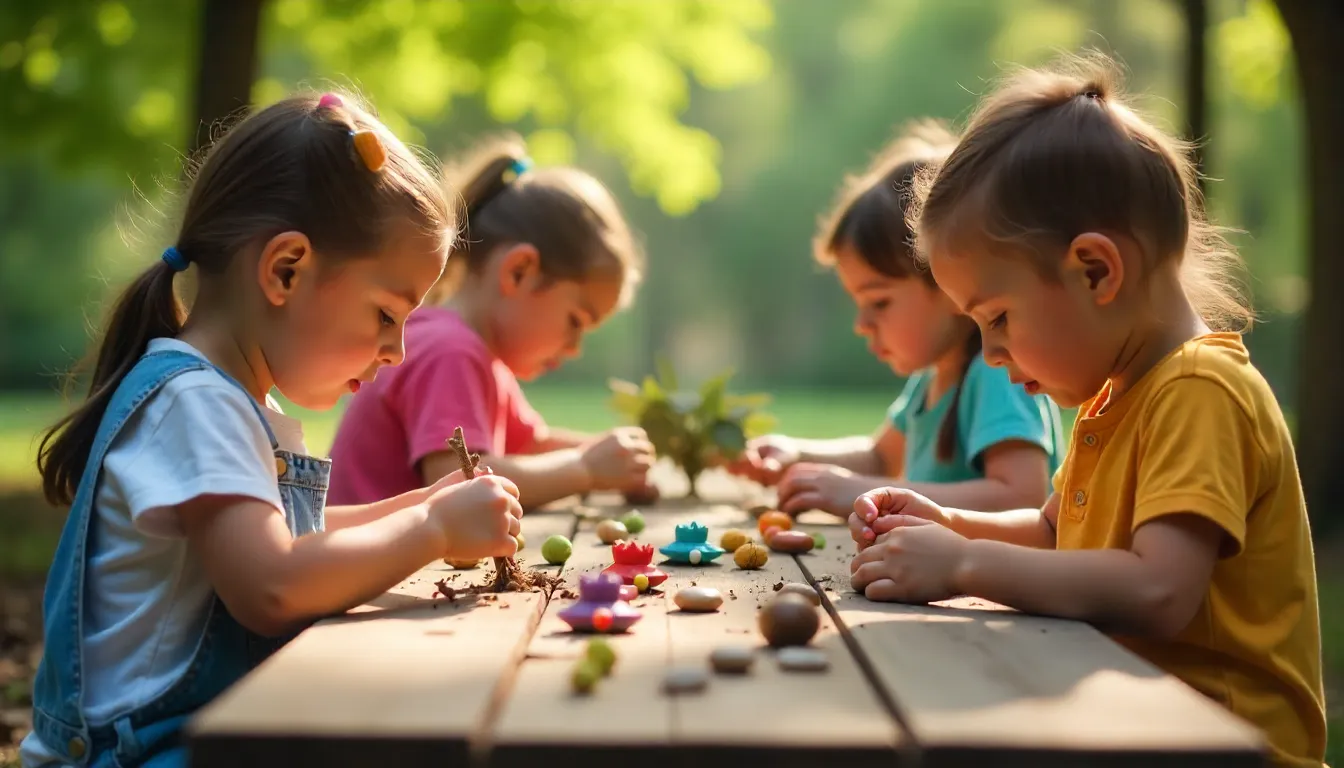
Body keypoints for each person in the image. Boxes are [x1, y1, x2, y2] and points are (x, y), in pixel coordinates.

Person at [849, 54, 1325, 767]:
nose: (994, 352)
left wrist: (963, 565)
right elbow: (1054, 532)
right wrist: (946, 521)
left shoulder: (1198, 390)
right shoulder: (1119, 394)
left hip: (1221, 745)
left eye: (999, 317)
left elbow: (1158, 588)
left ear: (1095, 270)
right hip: (1127, 722)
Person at [23, 92, 523, 768]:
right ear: (286, 269)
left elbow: (293, 540)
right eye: (384, 315)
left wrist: (429, 504)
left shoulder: (216, 394)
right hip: (143, 753)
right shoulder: (197, 404)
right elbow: (274, 586)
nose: (397, 351)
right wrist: (433, 532)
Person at [729, 121, 1063, 518]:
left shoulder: (996, 373)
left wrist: (862, 492)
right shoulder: (933, 378)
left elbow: (1019, 497)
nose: (861, 324)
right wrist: (798, 454)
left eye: (879, 302)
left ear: (948, 284)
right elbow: (877, 458)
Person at [327, 136, 655, 511]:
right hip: (372, 564)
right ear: (518, 272)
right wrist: (585, 469)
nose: (575, 347)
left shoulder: (478, 354)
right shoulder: (448, 351)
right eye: (575, 321)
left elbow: (531, 446)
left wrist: (617, 459)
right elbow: (458, 478)